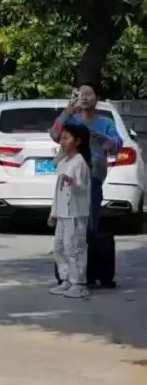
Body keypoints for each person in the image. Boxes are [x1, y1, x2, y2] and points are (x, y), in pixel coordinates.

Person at [49, 84, 121, 236]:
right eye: (81, 94)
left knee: (89, 216)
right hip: (70, 175)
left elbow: (115, 145)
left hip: (93, 176)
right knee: (67, 215)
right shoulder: (71, 121)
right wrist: (66, 113)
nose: (84, 97)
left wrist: (102, 138)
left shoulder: (106, 122)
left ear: (97, 98)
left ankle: (89, 243)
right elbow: (55, 135)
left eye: (88, 94)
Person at [48, 121, 92, 299]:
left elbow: (83, 188)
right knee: (59, 247)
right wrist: (53, 213)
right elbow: (58, 189)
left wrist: (74, 184)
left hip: (75, 213)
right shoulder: (64, 162)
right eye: (62, 138)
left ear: (78, 141)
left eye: (67, 138)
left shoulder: (79, 162)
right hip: (62, 213)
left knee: (74, 247)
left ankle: (78, 283)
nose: (62, 142)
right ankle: (65, 279)